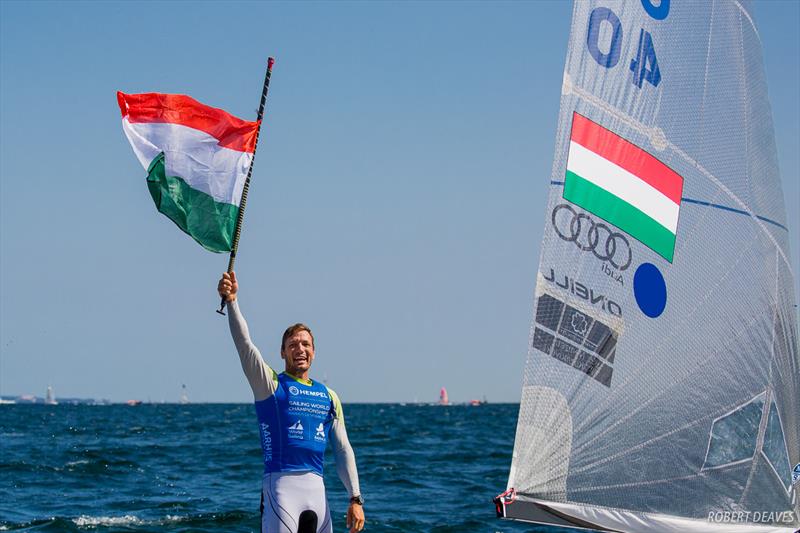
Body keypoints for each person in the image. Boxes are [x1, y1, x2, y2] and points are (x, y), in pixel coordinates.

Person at [218, 271, 366, 533]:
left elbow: (343, 450)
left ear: (314, 352)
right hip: (281, 490)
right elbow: (244, 344)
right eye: (293, 344)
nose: (300, 349)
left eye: (306, 344)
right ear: (283, 352)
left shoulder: (329, 396)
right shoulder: (270, 385)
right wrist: (232, 301)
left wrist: (355, 498)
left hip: (318, 493)